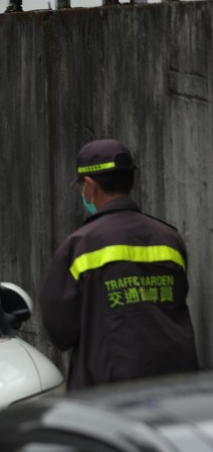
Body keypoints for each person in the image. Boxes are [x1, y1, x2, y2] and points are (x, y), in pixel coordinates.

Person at [39, 139, 198, 391]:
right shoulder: (169, 238)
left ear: (89, 186)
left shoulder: (79, 246)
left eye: (81, 186)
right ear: (132, 182)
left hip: (109, 392)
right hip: (175, 386)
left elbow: (60, 330)